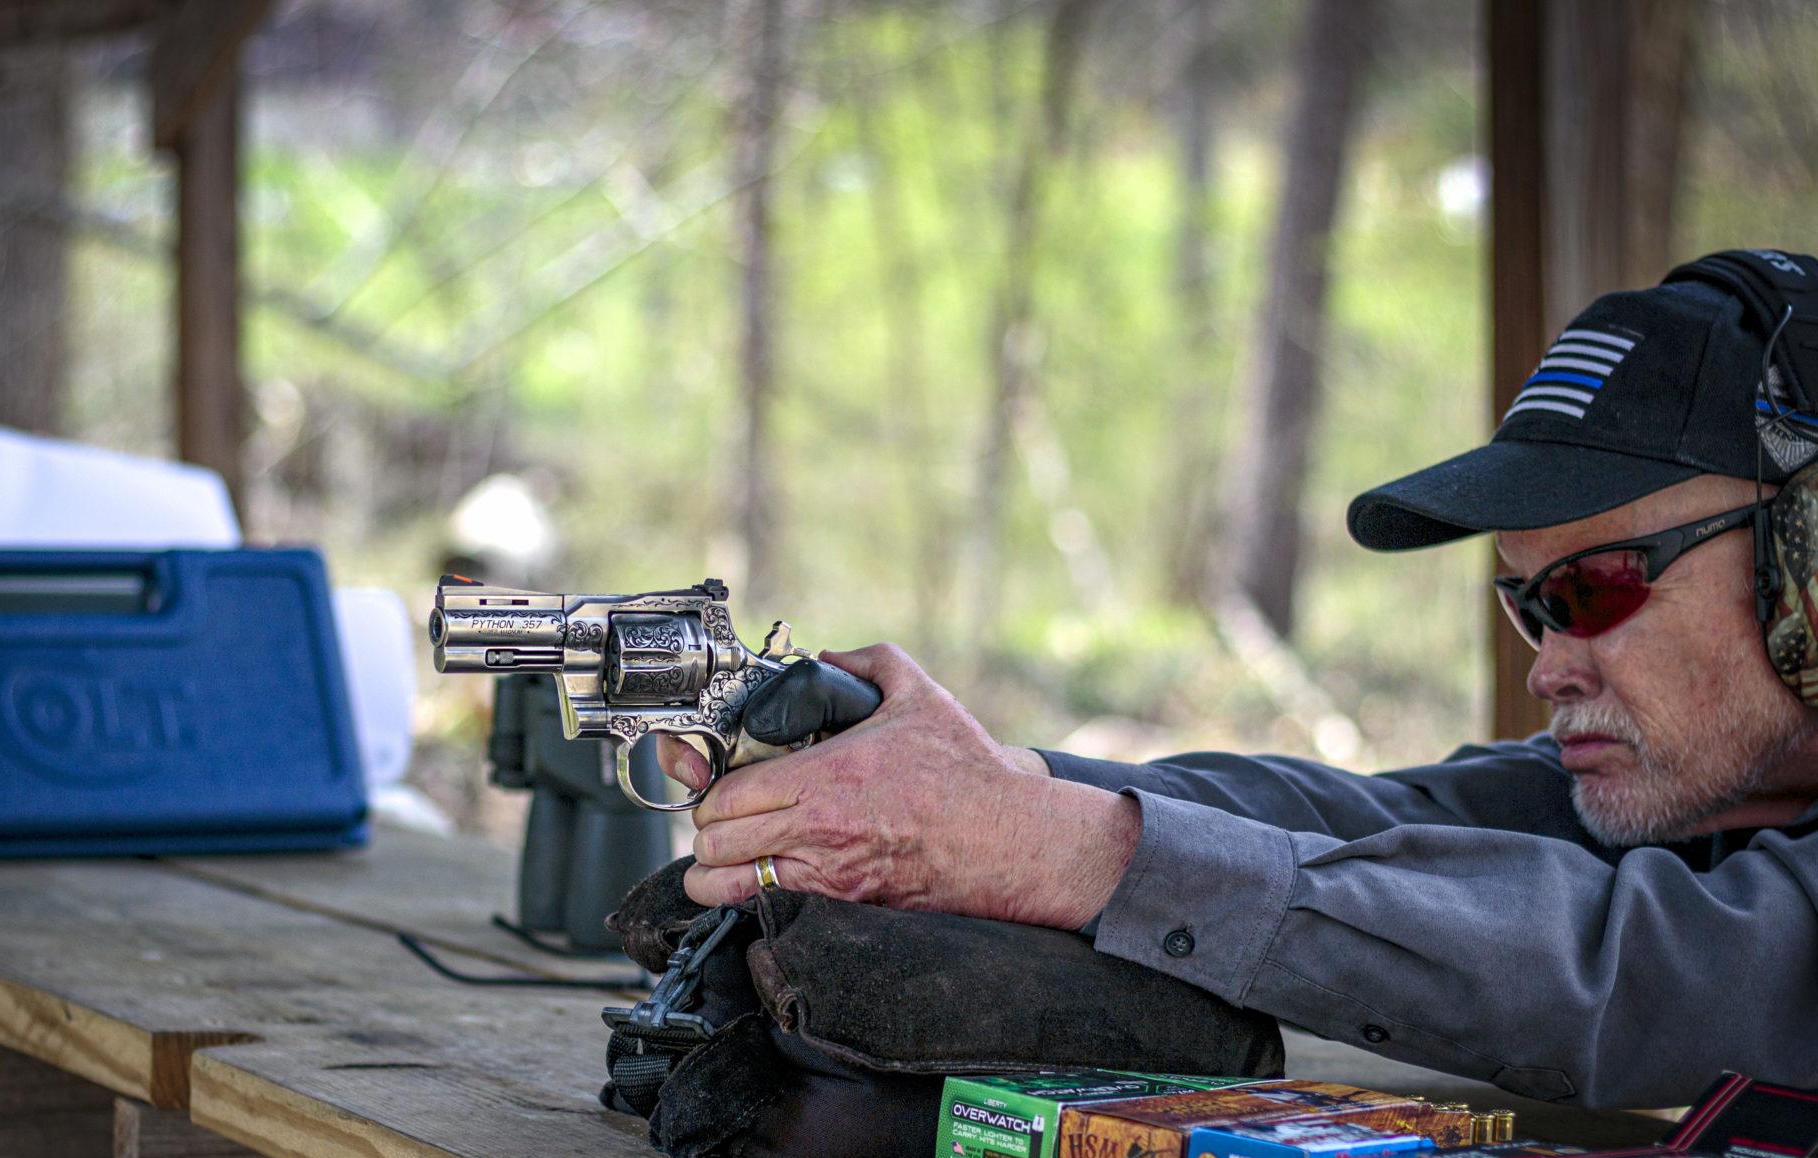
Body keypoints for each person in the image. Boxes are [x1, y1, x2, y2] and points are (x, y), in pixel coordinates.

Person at [658, 255, 1818, 1110]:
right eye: (1524, 603)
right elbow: (1367, 824)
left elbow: (1645, 968)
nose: (1546, 666)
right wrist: (974, 791)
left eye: (1596, 587)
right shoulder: (1722, 780)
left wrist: (1057, 844)